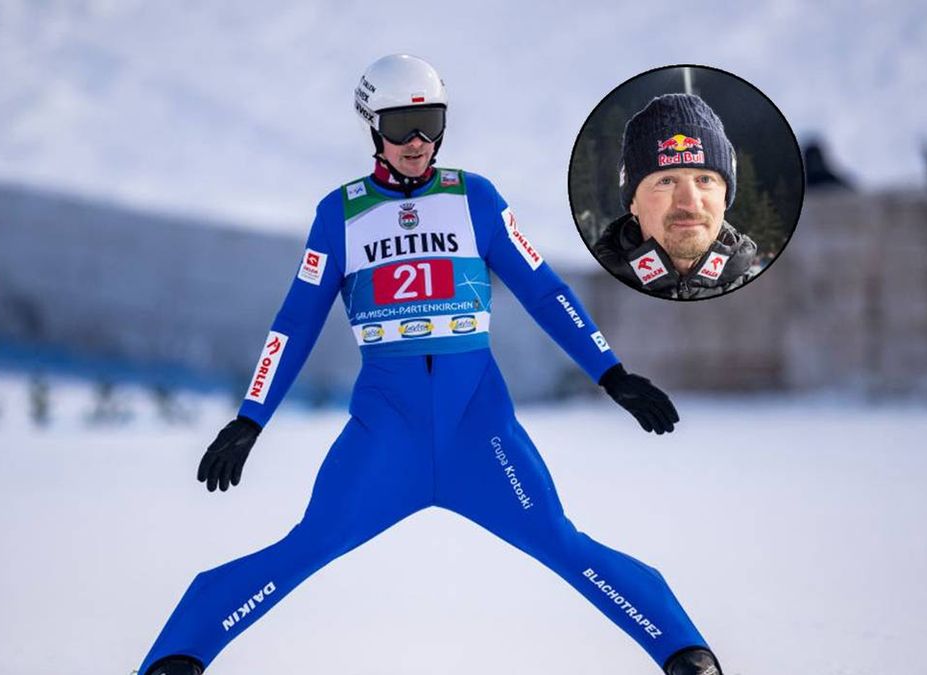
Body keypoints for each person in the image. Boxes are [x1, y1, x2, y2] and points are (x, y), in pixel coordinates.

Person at [138, 55, 722, 675]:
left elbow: (545, 290)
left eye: (429, 121)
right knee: (304, 548)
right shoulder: (340, 214)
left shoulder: (475, 198)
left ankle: (684, 652)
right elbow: (295, 323)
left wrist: (612, 373)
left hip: (480, 432)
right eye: (400, 124)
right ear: (372, 126)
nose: (417, 141)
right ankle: (179, 655)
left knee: (561, 543)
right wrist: (250, 421)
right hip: (387, 435)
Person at [594, 94, 756, 300]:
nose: (689, 203)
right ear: (633, 201)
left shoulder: (770, 298)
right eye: (666, 182)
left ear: (725, 197)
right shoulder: (596, 295)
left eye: (705, 180)